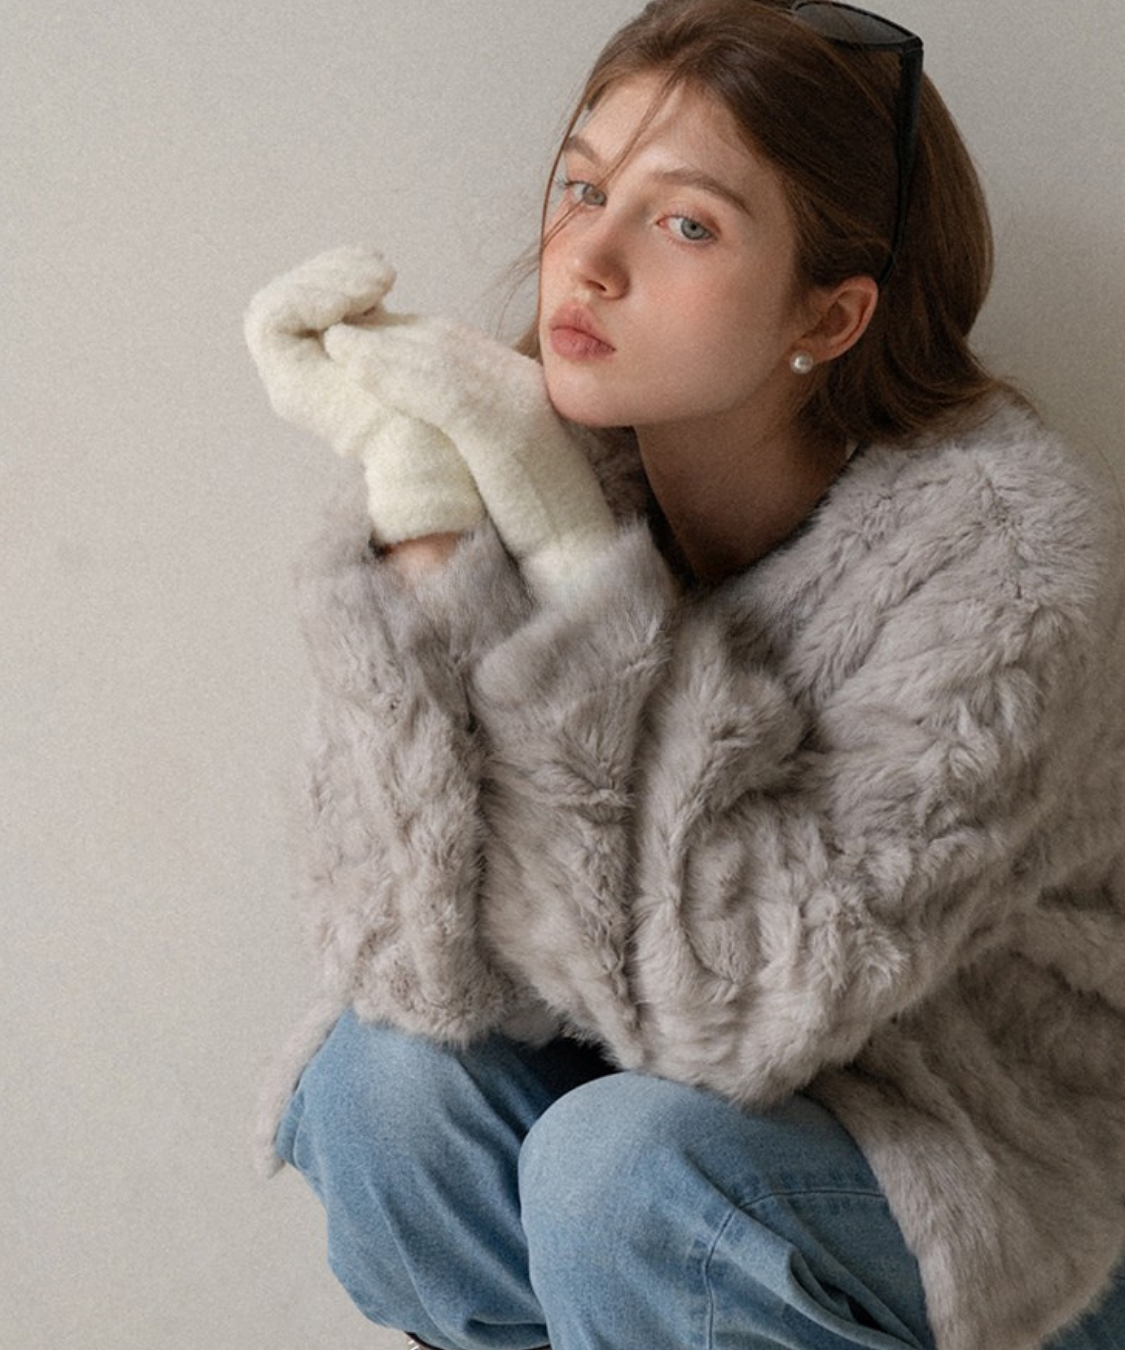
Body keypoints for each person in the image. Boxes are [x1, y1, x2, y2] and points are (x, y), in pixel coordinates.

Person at [244, 2, 1125, 1347]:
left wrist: (575, 574)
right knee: (382, 1088)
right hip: (669, 1114)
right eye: (584, 187)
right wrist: (428, 526)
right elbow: (405, 956)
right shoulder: (528, 460)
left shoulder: (1001, 562)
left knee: (619, 1171)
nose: (589, 260)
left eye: (686, 224)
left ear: (829, 313)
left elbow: (749, 1003)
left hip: (986, 1178)